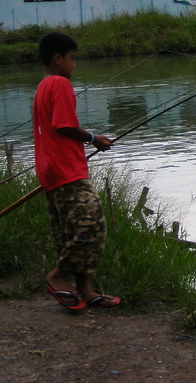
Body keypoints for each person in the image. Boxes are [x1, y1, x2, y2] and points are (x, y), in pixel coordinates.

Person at [33, 32, 121, 311]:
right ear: (58, 59)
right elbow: (63, 125)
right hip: (64, 169)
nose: (74, 65)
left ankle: (84, 289)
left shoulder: (43, 86)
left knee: (66, 230)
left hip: (50, 169)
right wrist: (94, 138)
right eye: (72, 59)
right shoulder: (60, 84)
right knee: (91, 222)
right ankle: (59, 276)